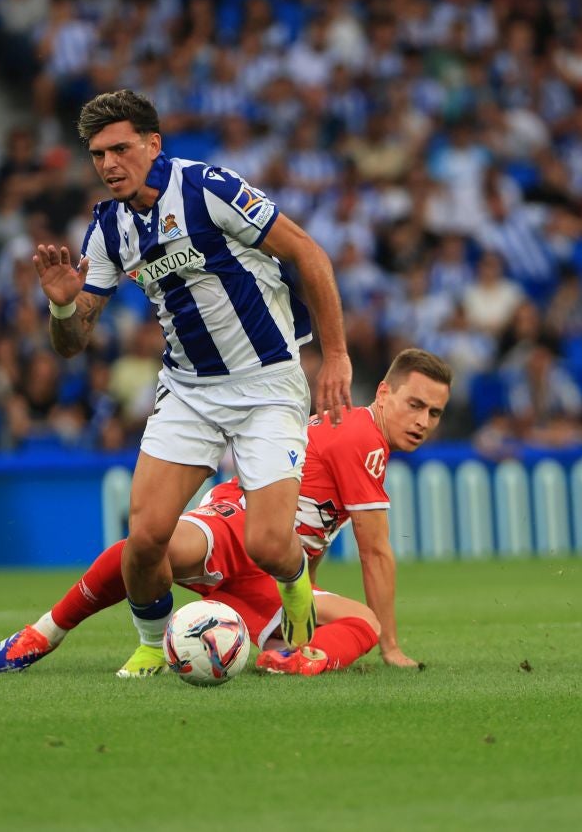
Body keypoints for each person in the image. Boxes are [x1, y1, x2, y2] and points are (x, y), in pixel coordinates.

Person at [33, 91, 352, 675]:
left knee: (268, 545)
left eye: (120, 149)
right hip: (189, 390)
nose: (108, 164)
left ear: (153, 144)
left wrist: (335, 357)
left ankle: (295, 584)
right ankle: (154, 645)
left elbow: (309, 253)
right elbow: (74, 340)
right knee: (146, 537)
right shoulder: (107, 229)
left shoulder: (208, 187)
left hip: (267, 384)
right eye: (98, 154)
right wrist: (60, 308)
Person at [0, 349, 452, 676]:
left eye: (433, 414)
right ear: (385, 392)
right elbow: (375, 553)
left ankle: (289, 659)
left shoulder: (349, 430)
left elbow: (310, 533)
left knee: (149, 551)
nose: (422, 422)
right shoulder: (364, 438)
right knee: (149, 546)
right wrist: (391, 647)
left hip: (261, 572)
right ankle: (44, 633)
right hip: (238, 526)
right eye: (415, 405)